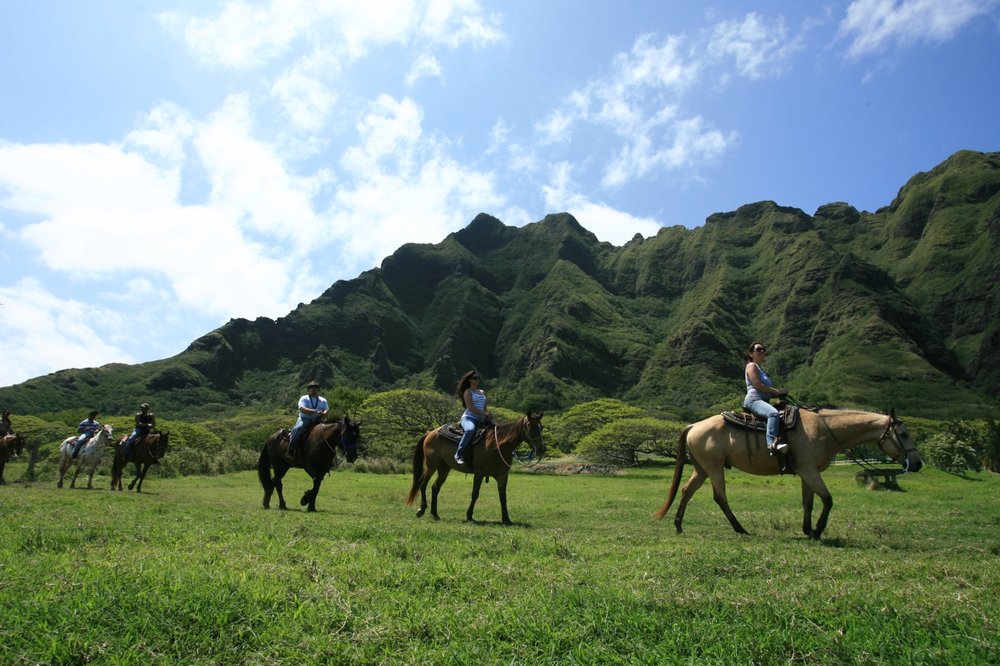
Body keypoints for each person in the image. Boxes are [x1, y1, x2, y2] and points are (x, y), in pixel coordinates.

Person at [743, 342, 789, 454]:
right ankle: (772, 444)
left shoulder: (761, 369)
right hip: (754, 400)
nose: (762, 352)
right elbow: (758, 385)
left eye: (763, 349)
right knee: (773, 413)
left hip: (763, 400)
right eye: (758, 349)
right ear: (751, 353)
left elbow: (766, 390)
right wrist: (777, 391)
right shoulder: (751, 366)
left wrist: (780, 393)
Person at [454, 370, 491, 465]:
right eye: (475, 378)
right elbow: (470, 408)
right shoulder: (468, 391)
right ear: (470, 380)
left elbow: (484, 407)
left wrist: (488, 414)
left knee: (497, 431)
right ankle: (459, 454)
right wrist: (484, 414)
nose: (477, 380)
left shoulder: (482, 392)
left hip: (482, 419)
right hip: (469, 418)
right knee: (470, 430)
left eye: (478, 378)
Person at [287, 381, 329, 457]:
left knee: (329, 431)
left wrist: (323, 413)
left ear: (318, 389)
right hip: (305, 418)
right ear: (308, 389)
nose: (313, 389)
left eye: (315, 387)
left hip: (318, 420)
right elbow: (302, 408)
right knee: (298, 428)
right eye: (311, 387)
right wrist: (315, 411)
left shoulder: (323, 400)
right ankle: (291, 449)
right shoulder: (304, 398)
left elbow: (326, 410)